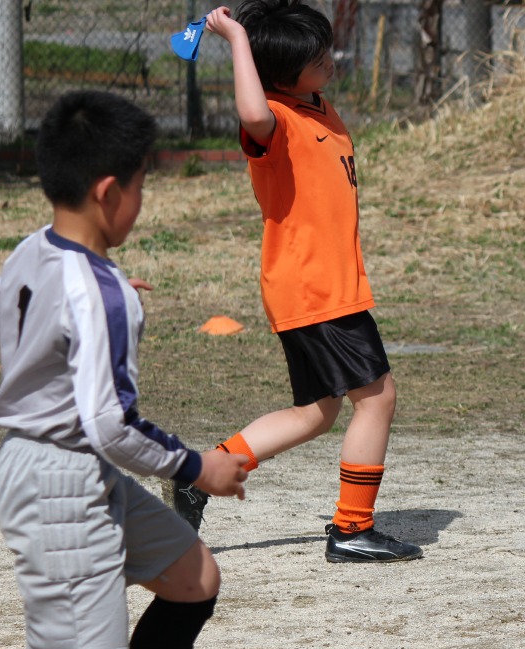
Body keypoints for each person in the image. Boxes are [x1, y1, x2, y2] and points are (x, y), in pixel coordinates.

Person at [0, 91, 249, 649]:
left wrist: (86, 304)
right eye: (140, 187)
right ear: (109, 193)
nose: (141, 202)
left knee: (194, 575)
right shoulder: (102, 293)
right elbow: (112, 425)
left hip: (64, 468)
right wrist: (198, 466)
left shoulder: (32, 249)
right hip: (59, 479)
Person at [174, 0, 421, 564]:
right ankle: (352, 529)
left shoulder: (317, 108)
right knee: (377, 398)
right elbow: (252, 110)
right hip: (316, 288)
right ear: (280, 77)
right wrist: (238, 40)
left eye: (325, 49)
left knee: (317, 412)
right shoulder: (274, 121)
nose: (329, 61)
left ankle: (200, 475)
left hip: (321, 286)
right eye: (316, 58)